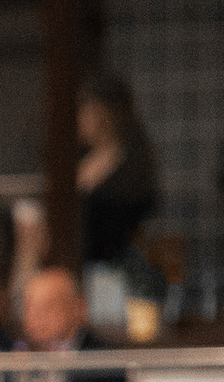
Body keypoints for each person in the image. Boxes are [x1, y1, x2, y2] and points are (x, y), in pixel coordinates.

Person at [77, 78, 159, 276]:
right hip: (81, 266)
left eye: (83, 110)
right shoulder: (82, 159)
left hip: (117, 271)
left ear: (103, 113)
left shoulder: (133, 164)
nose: (78, 119)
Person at [14, 267, 123, 382]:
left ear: (78, 308)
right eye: (29, 307)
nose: (35, 316)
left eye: (48, 306)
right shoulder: (12, 360)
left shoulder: (106, 365)